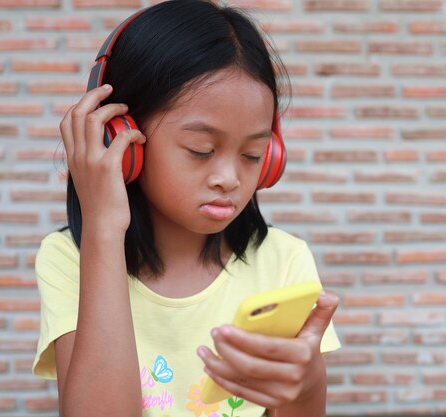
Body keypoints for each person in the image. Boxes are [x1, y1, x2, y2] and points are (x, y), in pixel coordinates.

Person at [31, 1, 341, 416]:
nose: (229, 178)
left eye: (252, 154)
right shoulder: (70, 258)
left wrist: (306, 389)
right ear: (120, 140)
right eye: (201, 150)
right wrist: (103, 226)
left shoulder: (284, 262)